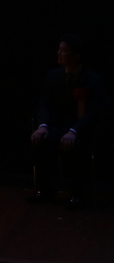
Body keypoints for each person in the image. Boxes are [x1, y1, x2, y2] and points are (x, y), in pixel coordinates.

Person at [29, 34, 106, 208]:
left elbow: (92, 113)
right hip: (58, 127)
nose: (59, 53)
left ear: (76, 55)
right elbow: (45, 103)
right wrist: (42, 126)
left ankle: (77, 194)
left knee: (75, 146)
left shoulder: (93, 81)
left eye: (64, 51)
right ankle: (45, 191)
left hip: (82, 131)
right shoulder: (53, 76)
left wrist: (74, 130)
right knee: (39, 141)